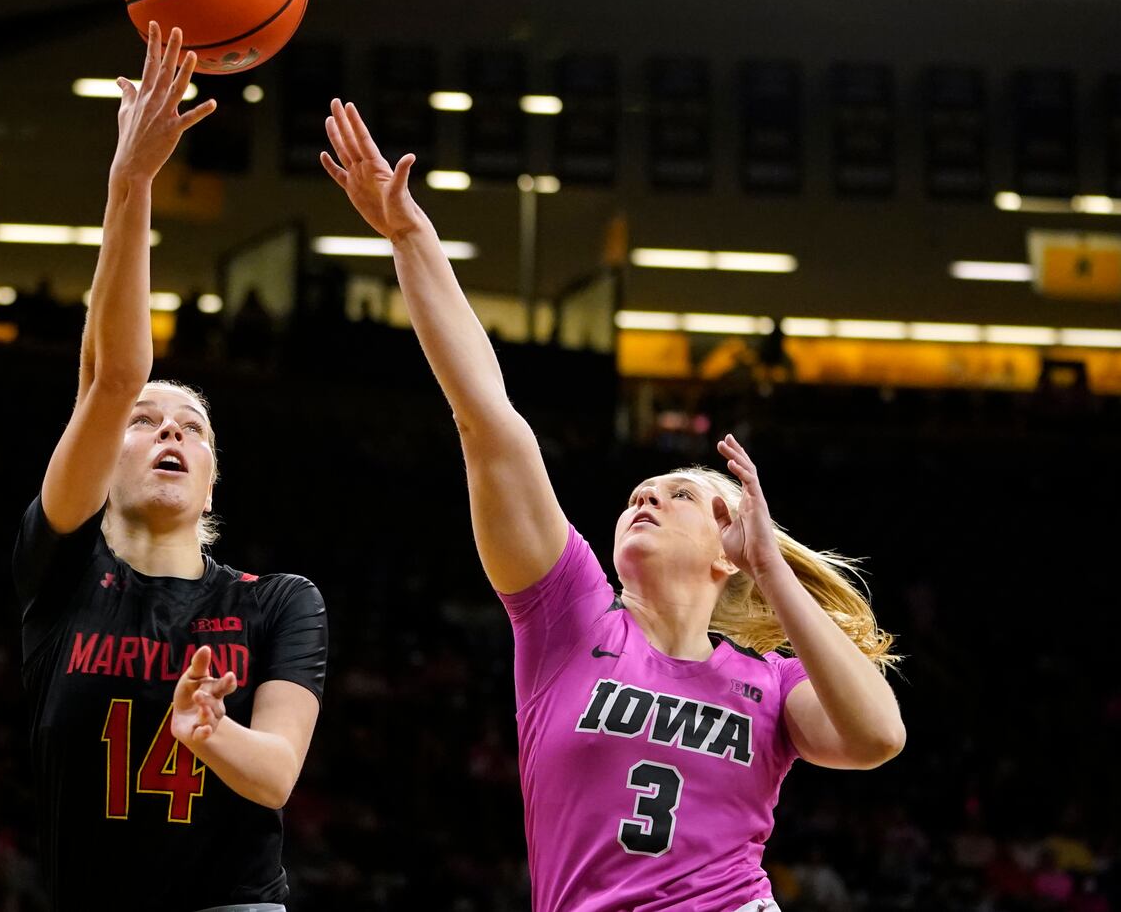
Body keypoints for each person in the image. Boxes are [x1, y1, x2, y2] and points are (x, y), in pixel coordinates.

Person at [320, 99, 903, 912]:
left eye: (684, 493)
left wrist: (774, 568)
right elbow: (487, 416)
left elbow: (879, 735)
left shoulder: (770, 686)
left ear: (727, 547)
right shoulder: (569, 614)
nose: (647, 493)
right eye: (642, 489)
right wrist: (411, 237)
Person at [13, 24, 327, 912]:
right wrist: (132, 179)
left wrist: (209, 731)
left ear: (213, 478)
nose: (168, 431)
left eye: (192, 424)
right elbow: (112, 375)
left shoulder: (275, 603)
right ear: (101, 450)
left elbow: (272, 778)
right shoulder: (62, 567)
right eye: (145, 422)